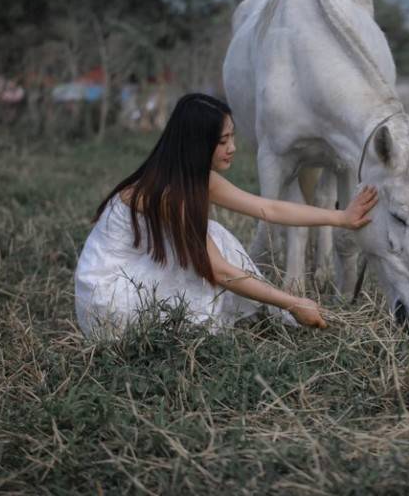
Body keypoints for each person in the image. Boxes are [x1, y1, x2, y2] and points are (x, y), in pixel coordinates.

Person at [74, 93, 378, 339]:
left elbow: (267, 208)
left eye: (232, 137)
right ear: (197, 144)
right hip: (108, 302)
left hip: (129, 277)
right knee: (209, 249)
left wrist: (341, 218)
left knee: (212, 238)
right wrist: (293, 302)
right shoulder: (171, 194)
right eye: (222, 141)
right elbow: (220, 271)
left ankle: (234, 318)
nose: (232, 148)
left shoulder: (190, 177)